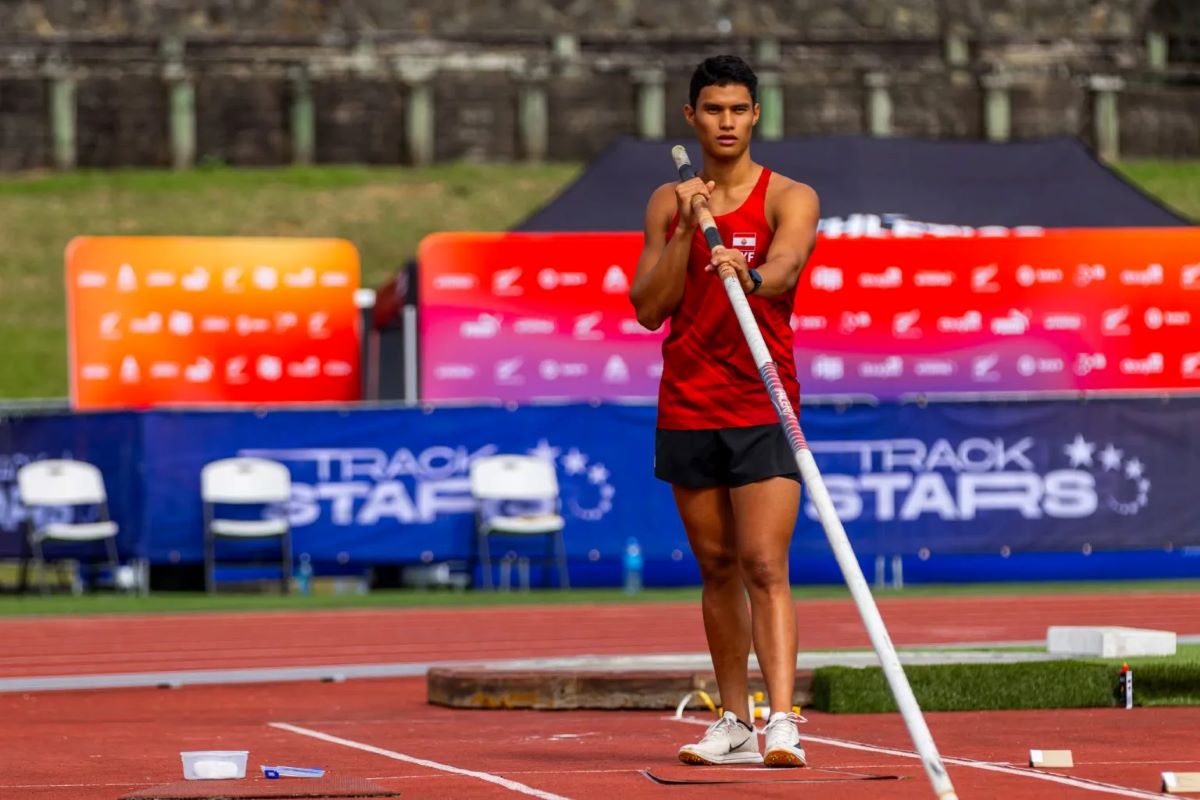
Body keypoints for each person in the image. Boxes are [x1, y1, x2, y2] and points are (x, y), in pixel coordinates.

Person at [628, 54, 820, 767]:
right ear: (692, 118)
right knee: (715, 566)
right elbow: (649, 309)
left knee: (764, 562)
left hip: (761, 400)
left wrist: (753, 271)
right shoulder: (667, 202)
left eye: (738, 109)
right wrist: (688, 228)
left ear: (756, 114)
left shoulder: (787, 196)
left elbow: (789, 266)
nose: (727, 121)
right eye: (713, 110)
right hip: (688, 402)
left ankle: (782, 721)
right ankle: (734, 723)